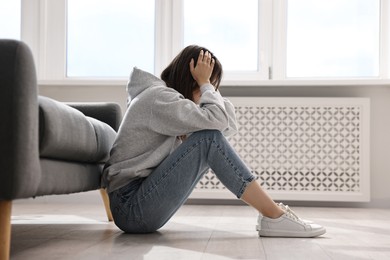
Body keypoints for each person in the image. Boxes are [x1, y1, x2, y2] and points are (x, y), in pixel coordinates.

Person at [102, 45, 326, 238]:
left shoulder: (167, 100)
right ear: (192, 80)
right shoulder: (159, 98)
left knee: (209, 137)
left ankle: (272, 214)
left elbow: (227, 126)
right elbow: (217, 126)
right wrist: (206, 85)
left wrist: (208, 87)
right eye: (203, 83)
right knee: (207, 139)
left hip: (136, 203)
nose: (207, 91)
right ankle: (273, 215)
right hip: (131, 207)